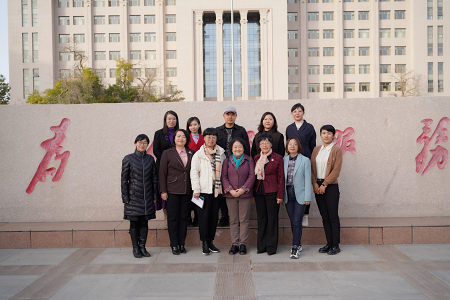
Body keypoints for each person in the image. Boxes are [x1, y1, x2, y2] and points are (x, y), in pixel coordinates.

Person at [190, 127, 226, 255]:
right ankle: (204, 242)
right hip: (203, 191)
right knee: (203, 218)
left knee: (214, 217)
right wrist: (196, 190)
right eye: (208, 137)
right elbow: (194, 173)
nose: (211, 139)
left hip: (217, 191)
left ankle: (211, 241)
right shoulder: (198, 155)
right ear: (204, 138)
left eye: (213, 137)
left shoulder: (221, 153)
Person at [121, 134, 157, 258]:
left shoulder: (150, 159)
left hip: (147, 197)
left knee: (144, 223)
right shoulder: (128, 159)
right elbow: (124, 180)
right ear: (135, 143)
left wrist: (154, 195)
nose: (142, 145)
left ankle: (142, 246)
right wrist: (125, 197)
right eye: (140, 142)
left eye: (145, 143)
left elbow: (154, 179)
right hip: (133, 197)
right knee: (134, 224)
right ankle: (135, 247)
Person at [159, 129, 194, 255]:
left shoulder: (191, 153)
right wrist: (163, 190)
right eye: (178, 136)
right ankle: (174, 244)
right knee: (173, 219)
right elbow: (162, 173)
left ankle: (182, 244)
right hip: (172, 190)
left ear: (186, 139)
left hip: (187, 190)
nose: (181, 138)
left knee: (183, 218)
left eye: (183, 136)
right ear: (174, 139)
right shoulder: (167, 153)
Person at [311, 125, 343, 255]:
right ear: (321, 135)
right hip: (317, 186)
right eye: (323, 133)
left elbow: (336, 171)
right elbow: (312, 168)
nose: (326, 135)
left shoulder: (336, 150)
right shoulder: (316, 149)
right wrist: (315, 183)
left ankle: (335, 245)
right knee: (324, 217)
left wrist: (324, 184)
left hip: (330, 186)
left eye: (329, 133)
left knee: (332, 216)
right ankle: (328, 243)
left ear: (333, 135)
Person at [216, 106, 250, 227]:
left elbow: (247, 148)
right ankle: (225, 216)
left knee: (238, 187)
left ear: (236, 116)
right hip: (222, 164)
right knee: (224, 190)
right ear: (224, 116)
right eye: (227, 114)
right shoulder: (218, 130)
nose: (230, 117)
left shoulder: (241, 130)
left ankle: (240, 217)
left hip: (239, 164)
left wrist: (247, 163)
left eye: (232, 114)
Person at [221, 138, 255, 255]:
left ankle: (243, 244)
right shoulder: (227, 161)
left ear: (244, 148)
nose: (237, 149)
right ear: (231, 148)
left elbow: (252, 176)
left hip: (245, 194)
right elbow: (224, 177)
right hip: (231, 195)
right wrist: (231, 190)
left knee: (244, 220)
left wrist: (242, 189)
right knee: (234, 220)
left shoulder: (249, 160)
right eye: (235, 147)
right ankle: (234, 244)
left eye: (239, 147)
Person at [285, 103, 316, 227]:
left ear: (303, 113)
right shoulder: (289, 128)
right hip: (293, 158)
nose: (297, 113)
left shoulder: (309, 127)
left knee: (305, 185)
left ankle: (306, 215)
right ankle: (297, 216)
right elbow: (288, 144)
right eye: (294, 111)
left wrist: (310, 157)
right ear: (292, 114)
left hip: (306, 156)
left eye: (299, 111)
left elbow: (313, 145)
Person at [253, 133, 285, 255]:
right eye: (262, 142)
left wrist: (280, 195)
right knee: (261, 219)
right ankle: (261, 246)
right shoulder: (256, 158)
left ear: (271, 144)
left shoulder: (278, 158)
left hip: (272, 192)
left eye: (267, 142)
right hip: (259, 192)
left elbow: (281, 177)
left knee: (272, 219)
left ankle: (271, 247)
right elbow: (254, 177)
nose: (264, 145)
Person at [283, 137, 313, 259]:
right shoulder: (283, 160)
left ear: (298, 146)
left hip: (300, 194)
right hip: (287, 193)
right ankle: (298, 243)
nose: (292, 146)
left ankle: (295, 247)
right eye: (290, 144)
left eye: (295, 144)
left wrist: (308, 196)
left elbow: (307, 179)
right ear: (287, 147)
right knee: (292, 221)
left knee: (296, 221)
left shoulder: (305, 160)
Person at [153, 110, 179, 228]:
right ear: (165, 120)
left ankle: (176, 217)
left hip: (177, 167)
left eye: (174, 118)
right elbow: (156, 150)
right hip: (163, 168)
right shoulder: (158, 133)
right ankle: (166, 218)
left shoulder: (180, 133)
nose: (171, 121)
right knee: (164, 192)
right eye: (169, 118)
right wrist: (166, 161)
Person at [186, 116, 204, 227]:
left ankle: (198, 217)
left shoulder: (204, 137)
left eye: (195, 124)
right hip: (189, 169)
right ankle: (188, 217)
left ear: (199, 125)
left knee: (200, 193)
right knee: (189, 193)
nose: (193, 127)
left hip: (202, 170)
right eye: (191, 125)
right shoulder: (186, 138)